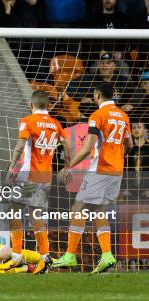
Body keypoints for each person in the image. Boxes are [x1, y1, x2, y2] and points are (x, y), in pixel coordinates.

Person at [54, 81, 133, 273]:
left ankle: (70, 255)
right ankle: (107, 255)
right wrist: (116, 157)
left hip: (100, 169)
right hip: (116, 171)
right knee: (99, 210)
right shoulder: (123, 116)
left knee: (78, 207)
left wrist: (68, 167)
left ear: (98, 95)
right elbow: (129, 144)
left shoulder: (97, 115)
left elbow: (87, 148)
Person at [0, 91, 70, 274]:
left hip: (29, 175)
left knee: (13, 211)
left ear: (32, 105)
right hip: (46, 177)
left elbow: (20, 146)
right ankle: (44, 257)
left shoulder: (28, 121)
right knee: (36, 217)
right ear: (47, 105)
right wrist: (67, 167)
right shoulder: (56, 124)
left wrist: (10, 170)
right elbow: (66, 147)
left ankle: (16, 257)